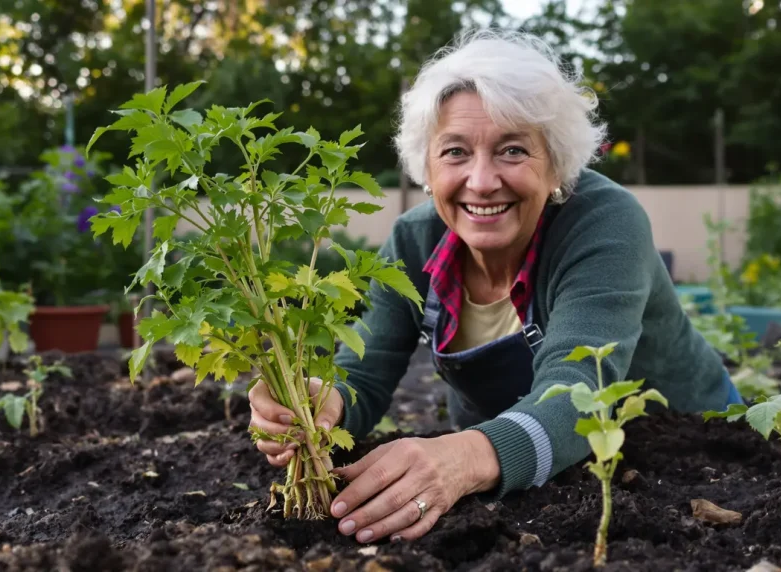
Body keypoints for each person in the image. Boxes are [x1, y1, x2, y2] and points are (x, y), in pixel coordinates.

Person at [247, 29, 743, 545]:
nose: (482, 181)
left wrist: (462, 458)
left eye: (512, 150)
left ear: (556, 165)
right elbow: (365, 375)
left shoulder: (603, 223)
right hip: (531, 479)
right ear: (427, 167)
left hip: (693, 464)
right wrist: (322, 405)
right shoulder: (413, 243)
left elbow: (579, 393)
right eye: (455, 152)